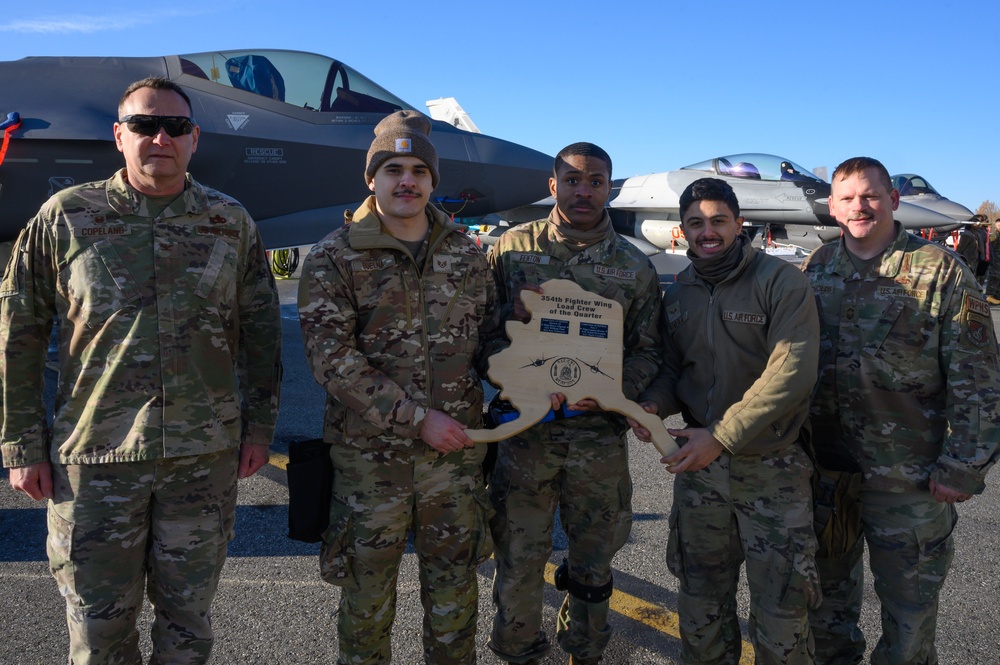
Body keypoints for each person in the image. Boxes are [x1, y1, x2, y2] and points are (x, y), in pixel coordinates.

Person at [0, 76, 282, 664]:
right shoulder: (66, 217)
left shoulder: (229, 222)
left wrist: (258, 430)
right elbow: (18, 334)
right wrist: (21, 444)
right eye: (144, 126)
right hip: (95, 464)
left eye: (175, 127)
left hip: (201, 461)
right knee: (99, 634)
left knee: (188, 627)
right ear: (118, 136)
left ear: (194, 139)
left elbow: (260, 333)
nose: (160, 137)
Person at [297, 110, 496, 664]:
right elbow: (332, 360)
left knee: (455, 594)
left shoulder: (465, 256)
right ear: (371, 179)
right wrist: (417, 419)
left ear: (433, 181)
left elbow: (491, 339)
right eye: (392, 169)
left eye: (417, 170)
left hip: (454, 459)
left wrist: (535, 380)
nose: (406, 181)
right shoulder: (334, 256)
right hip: (370, 462)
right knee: (366, 601)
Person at [801, 156, 1000, 664]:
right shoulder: (819, 266)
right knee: (824, 609)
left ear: (893, 200)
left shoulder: (940, 271)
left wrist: (963, 465)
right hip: (827, 473)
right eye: (847, 198)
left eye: (870, 195)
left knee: (909, 619)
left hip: (907, 478)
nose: (859, 206)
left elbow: (977, 376)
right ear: (832, 207)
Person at [630, 177, 821, 664]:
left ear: (739, 223)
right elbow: (675, 368)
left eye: (718, 221)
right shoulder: (681, 293)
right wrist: (652, 404)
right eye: (696, 223)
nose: (707, 231)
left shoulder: (781, 284)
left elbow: (790, 372)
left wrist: (721, 435)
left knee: (782, 614)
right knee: (700, 608)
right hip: (701, 473)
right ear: (683, 230)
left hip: (771, 469)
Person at [486, 142, 662, 665]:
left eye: (596, 181)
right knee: (518, 558)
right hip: (525, 436)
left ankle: (584, 651)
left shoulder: (633, 265)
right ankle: (516, 649)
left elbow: (651, 351)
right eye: (573, 180)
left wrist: (612, 390)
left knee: (594, 562)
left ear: (610, 187)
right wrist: (521, 379)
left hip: (597, 441)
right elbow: (483, 333)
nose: (583, 191)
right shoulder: (511, 250)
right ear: (553, 185)